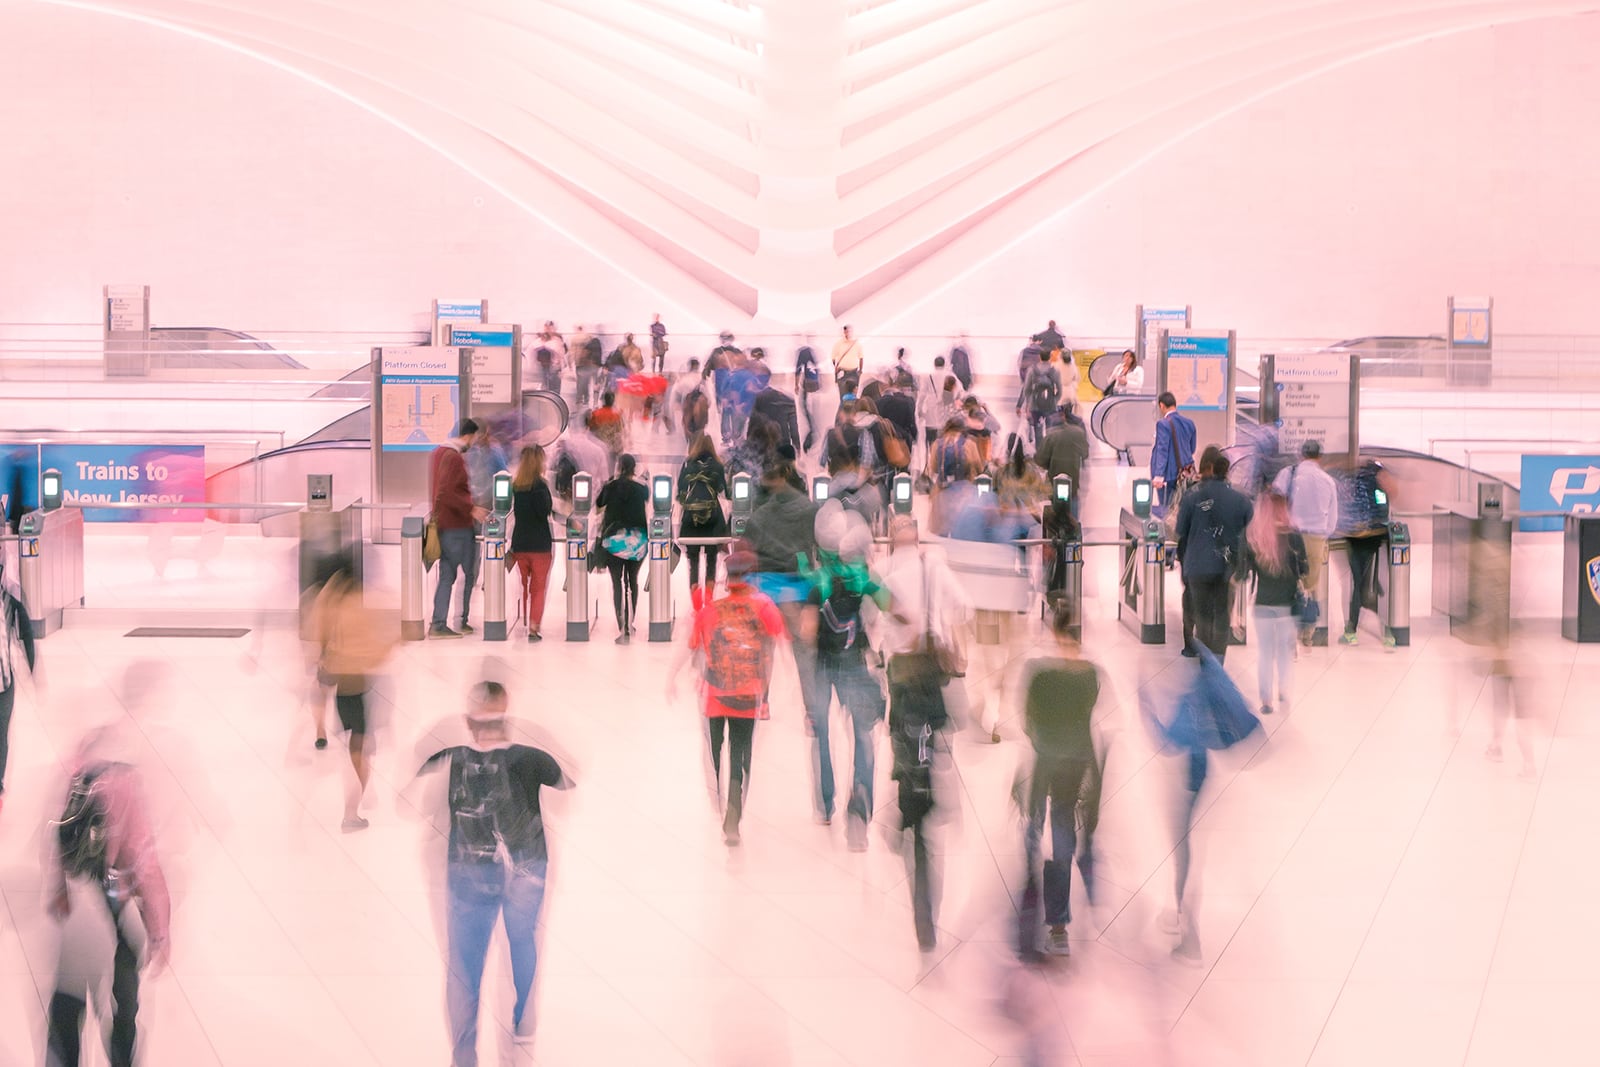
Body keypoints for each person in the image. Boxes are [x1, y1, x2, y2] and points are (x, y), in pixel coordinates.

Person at [415, 681, 573, 1063]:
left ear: (469, 723)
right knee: (521, 941)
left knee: (465, 966)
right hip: (526, 866)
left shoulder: (450, 758)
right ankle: (522, 1022)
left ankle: (464, 1053)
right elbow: (566, 782)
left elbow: (419, 808)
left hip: (468, 871)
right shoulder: (533, 758)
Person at [46, 722, 171, 1067]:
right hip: (116, 915)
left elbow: (57, 839)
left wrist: (59, 890)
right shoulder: (127, 787)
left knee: (66, 1013)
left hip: (77, 916)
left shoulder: (76, 777)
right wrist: (160, 932)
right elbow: (144, 865)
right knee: (123, 1010)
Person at [880, 515, 967, 950]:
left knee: (906, 735)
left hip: (902, 674)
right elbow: (965, 606)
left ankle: (907, 792)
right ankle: (921, 782)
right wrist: (943, 624)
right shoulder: (936, 567)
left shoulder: (888, 573)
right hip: (931, 674)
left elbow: (877, 626)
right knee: (928, 738)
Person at [668, 544, 787, 846]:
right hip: (748, 695)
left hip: (713, 695)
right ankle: (732, 816)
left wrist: (670, 677)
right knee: (740, 754)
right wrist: (785, 688)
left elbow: (689, 646)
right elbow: (781, 648)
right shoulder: (765, 608)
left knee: (713, 754)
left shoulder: (711, 611)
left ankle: (718, 801)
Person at [1016, 598, 1105, 959]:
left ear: (1053, 630)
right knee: (1063, 831)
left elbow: (1027, 723)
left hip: (1046, 761)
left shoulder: (1038, 673)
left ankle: (1032, 897)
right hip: (1078, 761)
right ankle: (1059, 927)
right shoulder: (1091, 675)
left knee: (1033, 831)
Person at [804, 509, 889, 848]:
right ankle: (860, 803)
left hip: (825, 664)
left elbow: (808, 631)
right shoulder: (862, 575)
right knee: (862, 735)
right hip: (855, 663)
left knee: (821, 734)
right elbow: (890, 606)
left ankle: (825, 805)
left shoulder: (818, 579)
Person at [312, 561, 395, 830]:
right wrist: (394, 643)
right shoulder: (355, 612)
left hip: (342, 689)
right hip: (357, 688)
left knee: (355, 749)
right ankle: (351, 812)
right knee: (360, 753)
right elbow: (370, 653)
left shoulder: (328, 604)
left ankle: (359, 794)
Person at [745, 463, 823, 721]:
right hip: (798, 590)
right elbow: (819, 547)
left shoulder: (759, 516)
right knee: (804, 654)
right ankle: (812, 712)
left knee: (763, 651)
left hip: (765, 592)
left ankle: (762, 704)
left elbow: (748, 553)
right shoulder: (810, 510)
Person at [1176, 451, 1253, 659]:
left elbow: (1181, 531)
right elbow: (1249, 532)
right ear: (1227, 472)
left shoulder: (1192, 497)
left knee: (1202, 616)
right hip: (1226, 567)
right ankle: (1218, 662)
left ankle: (1205, 661)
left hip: (1197, 565)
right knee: (1221, 615)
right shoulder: (1241, 500)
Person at [1239, 490, 1306, 715]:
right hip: (1287, 604)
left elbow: (1243, 571)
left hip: (1262, 604)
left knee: (1265, 653)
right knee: (1284, 652)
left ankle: (1266, 700)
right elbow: (1304, 571)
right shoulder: (1294, 537)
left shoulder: (1255, 538)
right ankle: (1283, 692)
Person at [1272, 439, 1340, 642]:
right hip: (1315, 538)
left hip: (1289, 535)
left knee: (1288, 582)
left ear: (1301, 455)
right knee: (1310, 584)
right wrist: (1323, 535)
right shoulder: (1327, 480)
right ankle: (1307, 630)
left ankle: (1287, 631)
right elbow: (1333, 518)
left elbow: (1275, 499)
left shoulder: (1288, 474)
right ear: (1319, 457)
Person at [431, 419, 488, 639]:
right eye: (473, 438)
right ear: (468, 435)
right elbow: (446, 491)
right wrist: (471, 508)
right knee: (462, 574)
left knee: (448, 573)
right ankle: (448, 622)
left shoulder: (437, 453)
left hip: (446, 524)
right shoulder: (453, 457)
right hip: (456, 525)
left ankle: (443, 621)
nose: (473, 443)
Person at [1340, 458, 1395, 647]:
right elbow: (1382, 509)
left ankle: (1351, 632)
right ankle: (1387, 635)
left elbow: (1346, 510)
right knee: (1373, 584)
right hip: (1374, 538)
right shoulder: (1377, 486)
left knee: (1357, 583)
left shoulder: (1352, 483)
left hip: (1354, 538)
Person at [595, 453, 649, 643]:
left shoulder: (611, 486)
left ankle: (621, 624)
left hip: (614, 540)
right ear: (634, 468)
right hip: (636, 540)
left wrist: (609, 483)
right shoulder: (640, 488)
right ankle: (630, 622)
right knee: (632, 581)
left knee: (617, 583)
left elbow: (599, 503)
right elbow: (649, 496)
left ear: (619, 466)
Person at [0, 557, 37, 815]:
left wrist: (32, 667)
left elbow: (25, 632)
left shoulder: (9, 601)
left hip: (4, 684)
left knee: (1, 737)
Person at [509, 445, 555, 642]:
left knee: (525, 584)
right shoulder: (540, 486)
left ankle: (525, 620)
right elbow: (544, 511)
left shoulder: (516, 486)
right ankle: (534, 628)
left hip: (520, 543)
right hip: (540, 545)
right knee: (538, 588)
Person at [677, 434, 730, 605]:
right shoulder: (718, 465)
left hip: (691, 517)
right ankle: (709, 598)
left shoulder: (688, 464)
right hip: (712, 517)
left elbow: (680, 489)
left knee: (693, 560)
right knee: (712, 559)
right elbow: (724, 491)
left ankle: (696, 600)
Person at [1032, 401, 1089, 516]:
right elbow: (1085, 453)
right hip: (1073, 485)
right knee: (1073, 517)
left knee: (1055, 516)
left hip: (1054, 486)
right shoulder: (1078, 433)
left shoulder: (1050, 436)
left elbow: (1040, 461)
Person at [1151, 392, 1197, 515]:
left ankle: (1169, 533)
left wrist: (1158, 475)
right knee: (1183, 509)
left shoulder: (1163, 424)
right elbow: (1192, 448)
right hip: (1186, 474)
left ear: (1161, 405)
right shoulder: (1189, 423)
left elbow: (1162, 450)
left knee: (1167, 510)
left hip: (1169, 475)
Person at [749, 363, 801, 455]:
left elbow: (752, 426)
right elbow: (794, 428)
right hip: (782, 444)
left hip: (762, 446)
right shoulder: (786, 398)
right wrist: (798, 447)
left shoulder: (757, 398)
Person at [831, 324, 865, 396]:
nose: (847, 334)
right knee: (843, 396)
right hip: (842, 372)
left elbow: (861, 358)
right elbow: (833, 358)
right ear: (843, 333)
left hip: (854, 372)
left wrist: (860, 371)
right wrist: (837, 367)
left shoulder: (857, 344)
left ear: (851, 332)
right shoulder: (838, 344)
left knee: (853, 396)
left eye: (848, 332)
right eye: (845, 332)